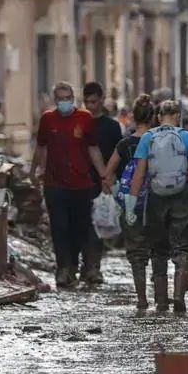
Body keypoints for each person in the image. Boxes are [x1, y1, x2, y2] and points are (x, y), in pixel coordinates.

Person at [126, 99, 188, 314]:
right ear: (179, 116)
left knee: (158, 249)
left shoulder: (148, 138)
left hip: (156, 197)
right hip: (182, 196)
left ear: (158, 117)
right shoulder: (187, 137)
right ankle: (179, 295)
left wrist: (131, 203)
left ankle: (161, 301)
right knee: (182, 248)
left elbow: (140, 173)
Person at [30, 82, 108, 289]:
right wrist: (33, 170)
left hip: (82, 184)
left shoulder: (85, 119)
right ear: (55, 100)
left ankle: (87, 267)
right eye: (60, 98)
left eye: (68, 98)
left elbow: (93, 149)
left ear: (73, 98)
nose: (64, 102)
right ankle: (64, 269)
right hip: (55, 184)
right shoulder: (48, 119)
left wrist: (104, 175)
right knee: (59, 228)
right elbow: (41, 147)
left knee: (82, 228)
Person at [105, 94, 155, 309]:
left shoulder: (124, 144)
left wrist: (118, 194)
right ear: (153, 117)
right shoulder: (157, 141)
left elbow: (108, 174)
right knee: (159, 251)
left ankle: (142, 298)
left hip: (130, 205)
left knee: (136, 253)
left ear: (133, 117)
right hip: (157, 202)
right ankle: (162, 298)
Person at [81, 81, 123, 284]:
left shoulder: (112, 126)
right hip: (79, 180)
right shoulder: (79, 123)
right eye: (87, 102)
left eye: (94, 102)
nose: (90, 106)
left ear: (102, 100)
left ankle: (93, 267)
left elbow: (119, 153)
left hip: (101, 181)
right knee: (80, 225)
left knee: (96, 225)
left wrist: (112, 176)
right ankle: (83, 265)